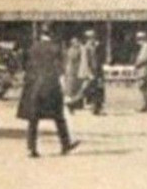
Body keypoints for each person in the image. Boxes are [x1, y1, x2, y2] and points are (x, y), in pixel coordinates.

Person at [16, 25, 78, 158]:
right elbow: (60, 69)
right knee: (59, 117)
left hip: (34, 86)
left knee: (33, 119)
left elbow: (26, 65)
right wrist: (64, 87)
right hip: (50, 85)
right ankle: (65, 144)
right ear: (53, 34)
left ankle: (31, 148)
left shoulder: (33, 47)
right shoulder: (55, 48)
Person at [82, 29, 106, 115]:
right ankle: (94, 108)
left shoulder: (96, 46)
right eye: (91, 37)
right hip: (92, 71)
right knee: (91, 90)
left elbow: (99, 58)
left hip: (98, 70)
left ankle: (98, 107)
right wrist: (89, 73)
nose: (93, 39)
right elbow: (86, 61)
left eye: (94, 37)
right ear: (88, 38)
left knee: (99, 89)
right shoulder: (87, 47)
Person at [64, 36, 86, 111]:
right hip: (72, 71)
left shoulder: (79, 50)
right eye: (74, 42)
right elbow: (70, 60)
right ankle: (72, 104)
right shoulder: (72, 50)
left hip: (76, 70)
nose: (76, 43)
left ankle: (77, 103)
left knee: (77, 87)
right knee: (71, 88)